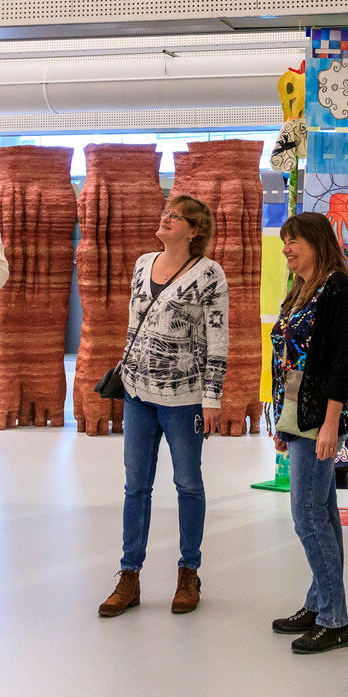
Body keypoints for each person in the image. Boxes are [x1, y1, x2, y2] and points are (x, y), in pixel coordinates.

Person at [98, 194, 228, 619]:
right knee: (136, 486)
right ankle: (129, 575)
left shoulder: (210, 274)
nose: (166, 218)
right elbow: (133, 324)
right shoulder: (142, 262)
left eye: (177, 216)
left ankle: (189, 572)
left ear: (195, 231)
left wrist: (212, 398)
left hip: (184, 398)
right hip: (137, 393)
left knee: (188, 485)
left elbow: (217, 341)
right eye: (166, 213)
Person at [270, 212, 348, 654]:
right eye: (285, 241)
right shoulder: (301, 290)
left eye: (295, 241)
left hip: (318, 419)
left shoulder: (338, 290)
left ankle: (334, 618)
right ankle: (319, 602)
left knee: (307, 516)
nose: (286, 248)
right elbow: (288, 361)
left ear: (318, 243)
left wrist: (329, 423)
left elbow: (340, 364)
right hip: (297, 415)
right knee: (322, 514)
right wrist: (280, 423)